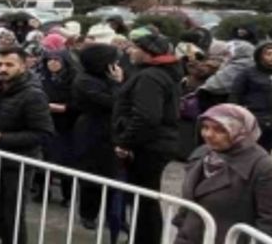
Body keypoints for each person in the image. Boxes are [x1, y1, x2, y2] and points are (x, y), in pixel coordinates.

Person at [0, 45, 55, 244]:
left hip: (18, 163)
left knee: (12, 216)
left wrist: (2, 138)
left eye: (9, 65)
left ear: (23, 66)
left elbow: (43, 133)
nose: (2, 69)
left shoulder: (33, 95)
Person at [112, 30, 180, 244]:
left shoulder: (150, 77)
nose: (130, 51)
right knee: (144, 197)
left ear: (148, 52)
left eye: (135, 48)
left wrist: (125, 141)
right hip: (155, 143)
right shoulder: (159, 73)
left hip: (148, 147)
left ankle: (146, 239)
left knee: (144, 198)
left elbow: (147, 117)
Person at [172, 104, 272, 244]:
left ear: (241, 132)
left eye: (220, 130)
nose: (208, 134)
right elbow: (187, 203)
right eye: (205, 127)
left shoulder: (261, 166)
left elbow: (267, 221)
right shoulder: (201, 153)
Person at [71, 43, 125, 232]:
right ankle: (88, 214)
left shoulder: (104, 78)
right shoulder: (85, 81)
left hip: (110, 131)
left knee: (111, 174)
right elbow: (113, 102)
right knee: (91, 175)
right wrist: (117, 83)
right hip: (91, 130)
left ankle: (113, 215)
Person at [37, 48, 77, 205]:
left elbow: (79, 104)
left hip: (66, 125)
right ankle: (43, 191)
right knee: (43, 159)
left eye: (56, 60)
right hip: (46, 123)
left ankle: (68, 195)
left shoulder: (74, 79)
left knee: (65, 162)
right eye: (49, 60)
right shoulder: (42, 78)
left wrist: (62, 108)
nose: (52, 63)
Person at [231, 41, 272, 149]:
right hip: (257, 118)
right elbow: (236, 94)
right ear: (260, 56)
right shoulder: (248, 73)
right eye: (268, 54)